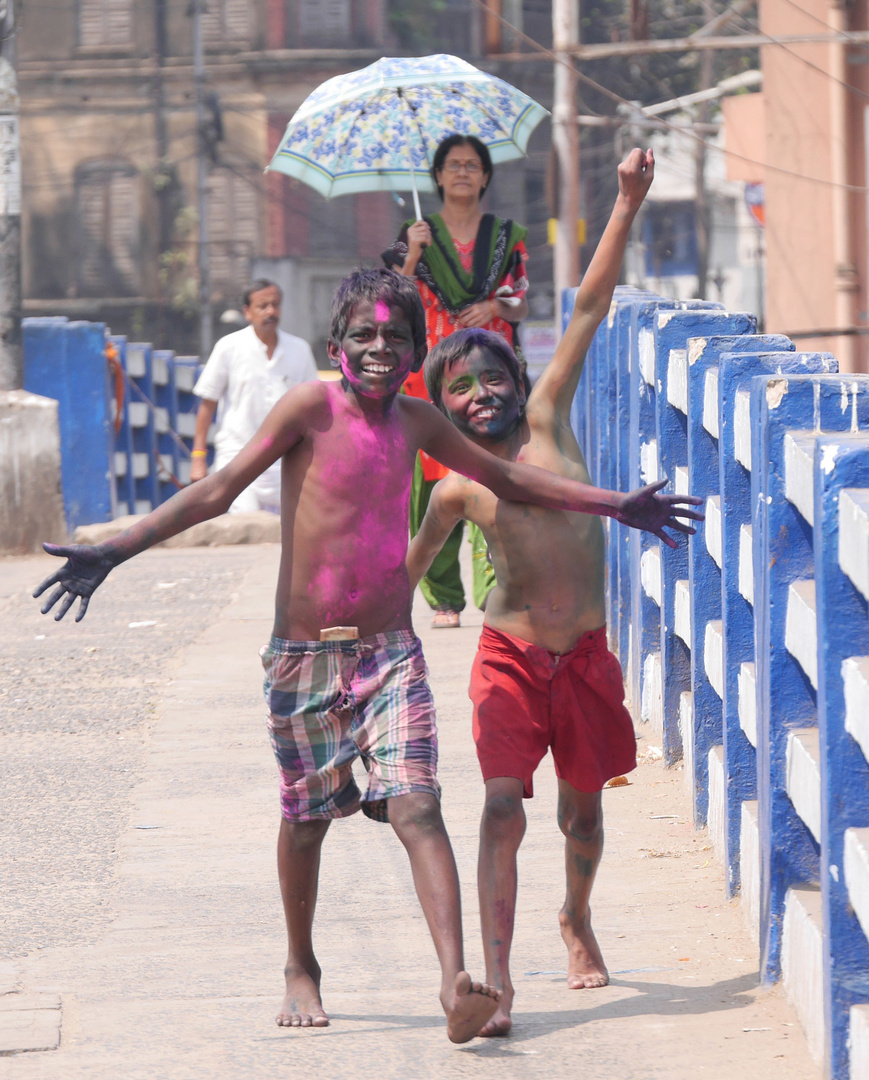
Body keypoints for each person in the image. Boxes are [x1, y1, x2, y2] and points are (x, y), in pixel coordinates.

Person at [32, 266, 697, 1042]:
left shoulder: (420, 423)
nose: (378, 348)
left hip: (390, 653)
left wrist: (619, 505)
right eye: (363, 334)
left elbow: (513, 475)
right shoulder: (309, 408)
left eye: (394, 337)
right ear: (334, 345)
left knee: (418, 806)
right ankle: (300, 962)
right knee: (308, 820)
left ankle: (456, 982)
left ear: (415, 350)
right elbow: (217, 491)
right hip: (302, 655)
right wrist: (114, 550)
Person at [407, 150, 686, 1037]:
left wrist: (626, 201)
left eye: (491, 378)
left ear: (518, 384)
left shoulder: (548, 417)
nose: (480, 392)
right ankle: (495, 982)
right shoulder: (456, 486)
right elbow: (407, 573)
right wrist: (348, 626)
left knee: (582, 817)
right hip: (510, 661)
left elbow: (594, 303)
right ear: (441, 409)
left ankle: (575, 915)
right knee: (498, 806)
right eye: (459, 387)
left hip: (587, 658)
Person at [384, 134, 529, 628]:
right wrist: (412, 253)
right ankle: (444, 596)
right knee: (433, 481)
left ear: (486, 176)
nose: (462, 172)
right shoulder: (415, 232)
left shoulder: (507, 235)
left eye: (472, 165)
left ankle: (494, 583)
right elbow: (394, 296)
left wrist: (493, 306)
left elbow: (522, 299)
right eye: (453, 165)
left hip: (490, 369)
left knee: (492, 469)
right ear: (438, 177)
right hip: (432, 374)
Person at [190, 279, 318, 513]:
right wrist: (198, 457)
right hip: (237, 459)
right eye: (263, 306)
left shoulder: (299, 350)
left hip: (285, 462)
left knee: (284, 536)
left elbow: (314, 406)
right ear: (247, 312)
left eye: (275, 305)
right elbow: (208, 403)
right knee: (245, 529)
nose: (271, 311)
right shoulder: (229, 347)